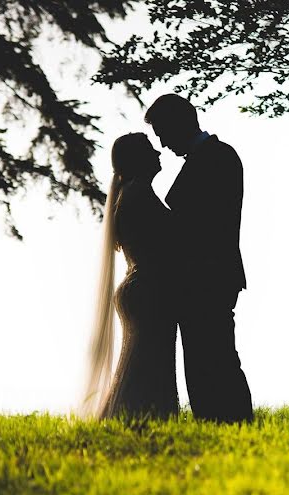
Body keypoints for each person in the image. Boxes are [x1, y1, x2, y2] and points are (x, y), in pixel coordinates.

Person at [145, 94, 254, 424]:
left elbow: (200, 224)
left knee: (216, 354)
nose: (162, 145)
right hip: (200, 276)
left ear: (178, 124)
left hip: (209, 275)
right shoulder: (207, 158)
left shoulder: (217, 157)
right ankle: (214, 421)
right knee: (202, 354)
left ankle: (232, 422)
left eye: (162, 134)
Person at [78, 132, 179, 421]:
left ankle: (133, 421)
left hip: (140, 288)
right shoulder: (139, 194)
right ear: (138, 159)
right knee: (149, 363)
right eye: (150, 150)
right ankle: (141, 420)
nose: (158, 154)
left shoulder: (130, 194)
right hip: (149, 290)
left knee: (140, 362)